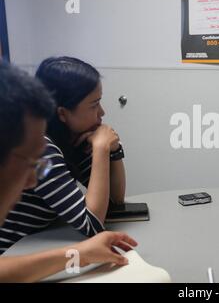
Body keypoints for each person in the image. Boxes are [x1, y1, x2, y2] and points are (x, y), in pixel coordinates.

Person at [0, 62, 137, 282]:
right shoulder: (45, 148)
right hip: (16, 251)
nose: (33, 180)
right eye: (94, 105)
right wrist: (101, 148)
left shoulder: (69, 141)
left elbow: (115, 199)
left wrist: (113, 150)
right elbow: (92, 224)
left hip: (30, 251)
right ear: (63, 113)